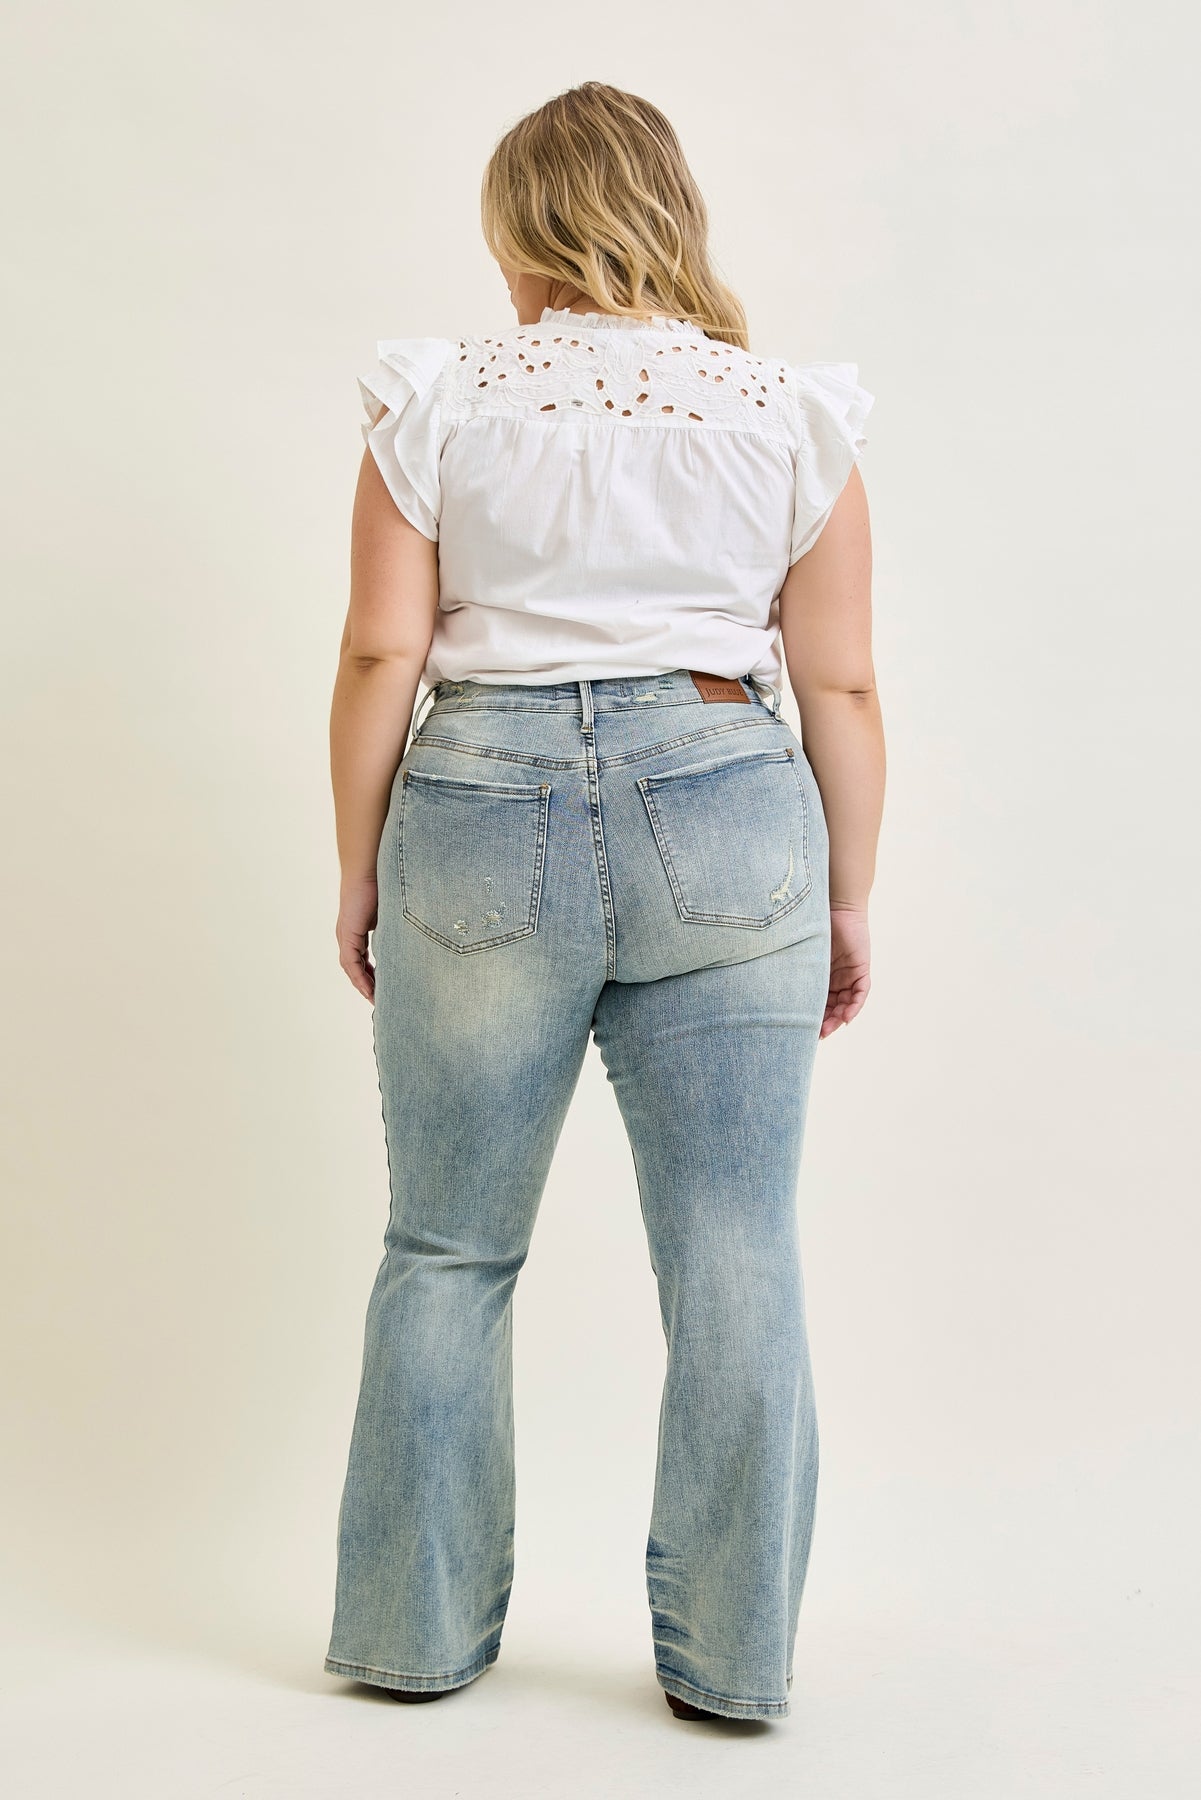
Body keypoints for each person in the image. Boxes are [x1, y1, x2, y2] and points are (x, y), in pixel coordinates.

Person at [324, 79, 885, 1726]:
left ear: (523, 227)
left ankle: (412, 1643)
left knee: (445, 1246)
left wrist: (357, 865)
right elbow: (840, 686)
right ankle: (734, 1665)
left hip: (477, 808)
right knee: (734, 1253)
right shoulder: (788, 414)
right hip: (727, 806)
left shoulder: (438, 401)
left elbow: (381, 649)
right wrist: (848, 899)